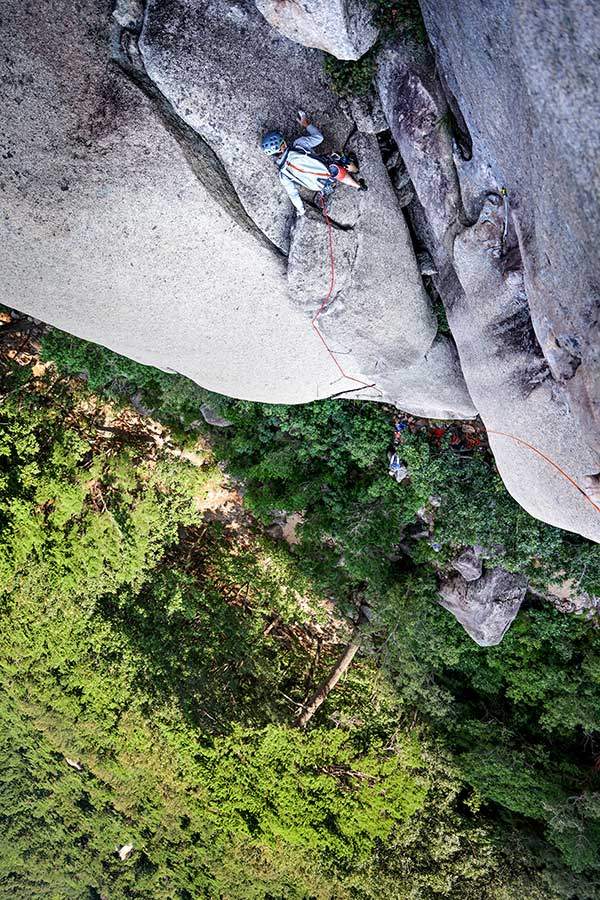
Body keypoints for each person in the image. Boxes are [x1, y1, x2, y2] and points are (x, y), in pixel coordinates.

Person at [261, 111, 367, 216]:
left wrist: (301, 210)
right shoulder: (298, 145)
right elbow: (319, 138)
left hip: (319, 186)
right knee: (337, 157)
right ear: (282, 145)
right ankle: (356, 176)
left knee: (331, 171)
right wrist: (306, 124)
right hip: (329, 169)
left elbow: (293, 194)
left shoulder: (283, 174)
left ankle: (353, 185)